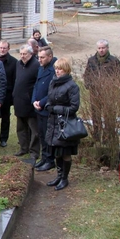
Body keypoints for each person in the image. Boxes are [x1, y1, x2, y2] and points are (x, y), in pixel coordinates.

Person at [44, 57, 81, 190]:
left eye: (60, 69)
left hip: (65, 123)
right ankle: (59, 176)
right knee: (56, 151)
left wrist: (55, 109)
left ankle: (64, 178)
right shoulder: (53, 82)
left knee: (65, 153)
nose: (58, 71)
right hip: (53, 122)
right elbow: (49, 98)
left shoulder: (72, 86)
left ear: (66, 70)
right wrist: (48, 105)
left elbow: (74, 107)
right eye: (56, 69)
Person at [83, 39, 120, 137]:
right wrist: (88, 85)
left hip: (109, 93)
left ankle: (108, 136)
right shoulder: (92, 60)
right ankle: (96, 135)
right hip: (95, 92)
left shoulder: (114, 61)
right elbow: (87, 74)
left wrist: (113, 87)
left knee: (109, 115)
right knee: (95, 115)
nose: (101, 50)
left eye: (103, 48)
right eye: (99, 48)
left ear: (107, 48)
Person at [32, 46, 57, 171]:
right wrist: (34, 101)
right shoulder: (41, 68)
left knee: (48, 136)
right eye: (38, 57)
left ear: (50, 57)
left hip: (47, 109)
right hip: (39, 108)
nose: (39, 60)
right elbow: (36, 85)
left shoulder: (54, 70)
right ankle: (44, 157)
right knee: (41, 134)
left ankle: (50, 159)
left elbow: (53, 92)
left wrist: (41, 102)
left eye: (42, 57)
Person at [13, 44, 40, 162]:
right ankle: (23, 148)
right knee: (20, 127)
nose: (22, 56)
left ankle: (34, 151)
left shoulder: (36, 65)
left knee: (34, 130)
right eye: (21, 54)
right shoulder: (18, 64)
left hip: (30, 102)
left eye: (25, 54)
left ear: (31, 54)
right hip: (19, 101)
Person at [0, 41, 17, 147]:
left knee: (5, 117)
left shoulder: (13, 62)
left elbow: (14, 79)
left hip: (6, 93)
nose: (2, 50)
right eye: (1, 48)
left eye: (5, 48)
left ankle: (3, 138)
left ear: (8, 49)